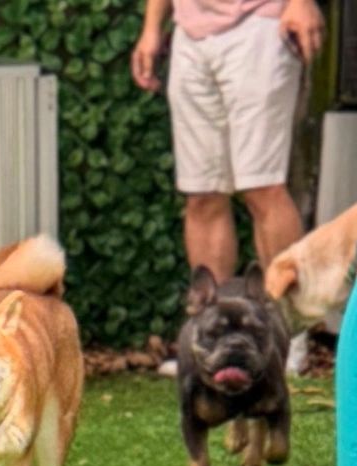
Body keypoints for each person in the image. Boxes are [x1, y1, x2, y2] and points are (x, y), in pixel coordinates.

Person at [133, 0, 324, 282]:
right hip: (190, 33)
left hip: (260, 24)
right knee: (202, 193)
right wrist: (151, 28)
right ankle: (212, 318)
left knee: (263, 187)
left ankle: (290, 319)